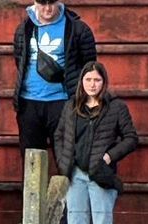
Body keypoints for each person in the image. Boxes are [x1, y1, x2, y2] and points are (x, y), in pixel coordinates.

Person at [54, 61, 139, 224]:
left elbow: (131, 138)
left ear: (104, 82)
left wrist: (109, 157)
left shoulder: (116, 107)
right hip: (76, 175)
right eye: (88, 79)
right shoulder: (71, 106)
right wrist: (64, 164)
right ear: (82, 81)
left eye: (97, 80)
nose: (92, 84)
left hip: (101, 175)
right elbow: (59, 136)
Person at [13, 1, 98, 153]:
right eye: (42, 3)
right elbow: (20, 60)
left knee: (66, 158)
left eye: (51, 2)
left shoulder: (78, 29)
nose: (47, 8)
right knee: (31, 159)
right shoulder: (24, 28)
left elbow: (89, 67)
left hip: (63, 101)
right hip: (29, 103)